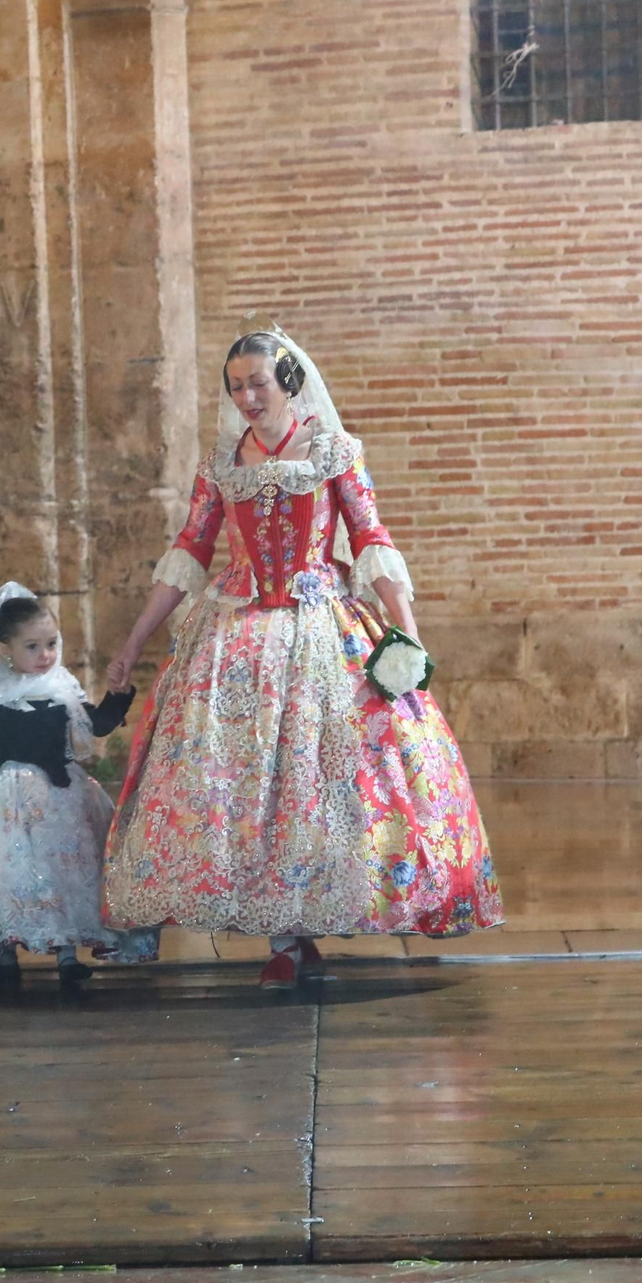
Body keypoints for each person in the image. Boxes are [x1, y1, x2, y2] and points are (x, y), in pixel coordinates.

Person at [101, 323, 501, 989]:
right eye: (236, 386)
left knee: (322, 776)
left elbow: (371, 536)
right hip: (235, 627)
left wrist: (406, 631)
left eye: (258, 381)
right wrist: (135, 641)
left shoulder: (332, 451)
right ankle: (283, 934)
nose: (248, 396)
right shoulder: (222, 460)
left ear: (287, 380)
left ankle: (311, 917)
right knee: (235, 778)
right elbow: (192, 550)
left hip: (318, 621)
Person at [0, 583, 154, 988]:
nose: (45, 654)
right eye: (32, 646)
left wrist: (118, 697)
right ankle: (5, 951)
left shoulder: (63, 689)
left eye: (50, 643)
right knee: (10, 871)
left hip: (63, 794)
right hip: (11, 797)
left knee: (66, 868)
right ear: (3, 650)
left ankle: (67, 953)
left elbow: (96, 724)